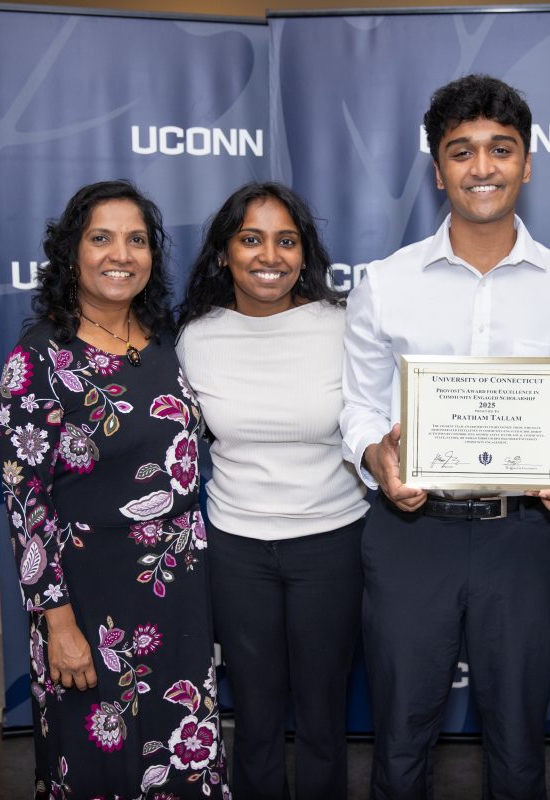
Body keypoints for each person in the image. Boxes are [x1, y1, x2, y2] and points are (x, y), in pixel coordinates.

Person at [340, 74, 550, 799]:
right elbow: (360, 407)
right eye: (461, 151)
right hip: (409, 530)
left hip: (524, 538)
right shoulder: (385, 283)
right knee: (399, 737)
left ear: (526, 161)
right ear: (438, 169)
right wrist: (375, 455)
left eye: (500, 149)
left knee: (520, 743)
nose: (481, 167)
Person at [0, 180, 230, 799]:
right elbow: (27, 505)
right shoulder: (40, 358)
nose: (120, 254)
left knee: (180, 751)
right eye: (101, 238)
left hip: (174, 590)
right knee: (100, 761)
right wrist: (59, 624)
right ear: (72, 252)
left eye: (136, 240)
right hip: (88, 599)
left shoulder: (162, 346)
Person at [176, 182, 369, 800]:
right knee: (254, 717)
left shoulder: (344, 326)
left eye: (286, 240)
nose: (270, 255)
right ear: (224, 252)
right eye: (251, 239)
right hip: (236, 550)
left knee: (321, 713)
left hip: (332, 544)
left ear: (304, 251)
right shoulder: (196, 338)